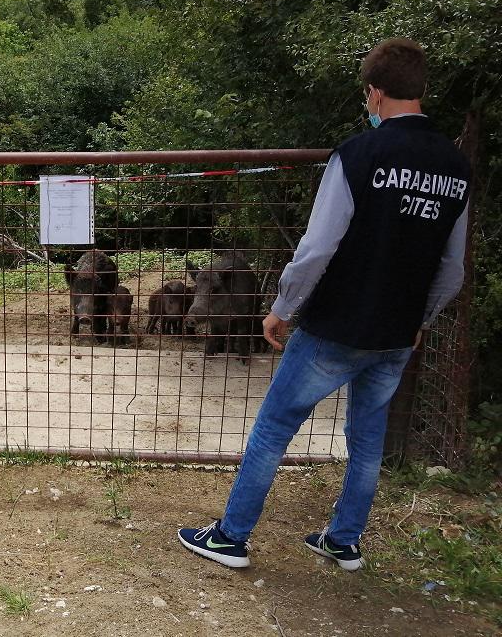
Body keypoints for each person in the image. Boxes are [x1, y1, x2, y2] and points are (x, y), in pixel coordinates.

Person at [178, 38, 471, 570]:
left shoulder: (358, 155)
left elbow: (317, 248)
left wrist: (283, 306)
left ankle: (231, 537)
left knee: (273, 428)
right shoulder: (456, 167)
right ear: (420, 90)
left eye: (368, 98)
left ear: (375, 93)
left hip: (335, 325)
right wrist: (420, 319)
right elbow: (452, 269)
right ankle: (343, 541)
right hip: (397, 334)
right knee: (366, 439)